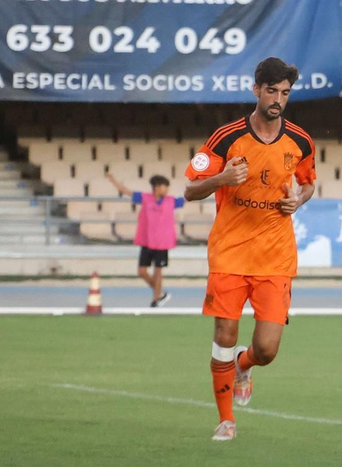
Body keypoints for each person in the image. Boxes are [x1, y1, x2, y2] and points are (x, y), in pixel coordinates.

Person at [183, 57, 317, 443]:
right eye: (271, 91)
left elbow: (308, 183)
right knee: (224, 333)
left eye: (285, 93)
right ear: (256, 89)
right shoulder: (225, 138)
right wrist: (223, 178)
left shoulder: (301, 141)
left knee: (268, 349)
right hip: (229, 254)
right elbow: (190, 190)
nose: (278, 99)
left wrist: (299, 200)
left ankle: (245, 365)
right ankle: (226, 420)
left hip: (275, 257)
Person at [104, 170, 183, 307]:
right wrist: (113, 180)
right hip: (147, 240)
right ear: (157, 187)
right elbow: (125, 191)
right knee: (142, 271)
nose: (167, 190)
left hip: (162, 243)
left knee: (158, 271)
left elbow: (190, 196)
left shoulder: (172, 201)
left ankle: (155, 299)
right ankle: (160, 293)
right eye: (165, 186)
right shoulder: (144, 198)